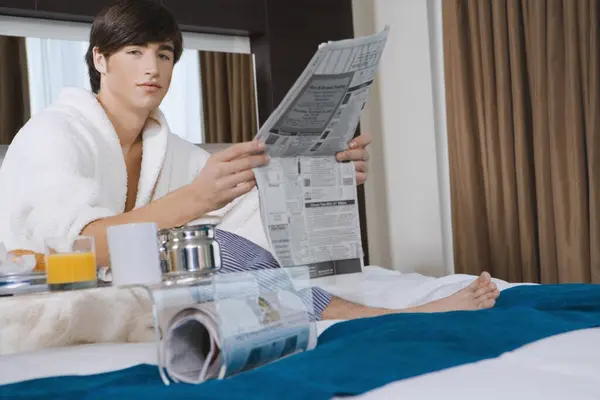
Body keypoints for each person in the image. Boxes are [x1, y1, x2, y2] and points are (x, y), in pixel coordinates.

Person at [0, 0, 499, 321]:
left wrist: (324, 174)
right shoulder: (54, 133)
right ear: (99, 60)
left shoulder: (166, 148)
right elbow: (79, 246)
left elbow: (249, 205)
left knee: (219, 247)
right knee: (215, 248)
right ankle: (384, 318)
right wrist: (196, 198)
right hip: (43, 299)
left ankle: (363, 311)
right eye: (133, 52)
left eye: (165, 54)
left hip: (132, 291)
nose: (152, 68)